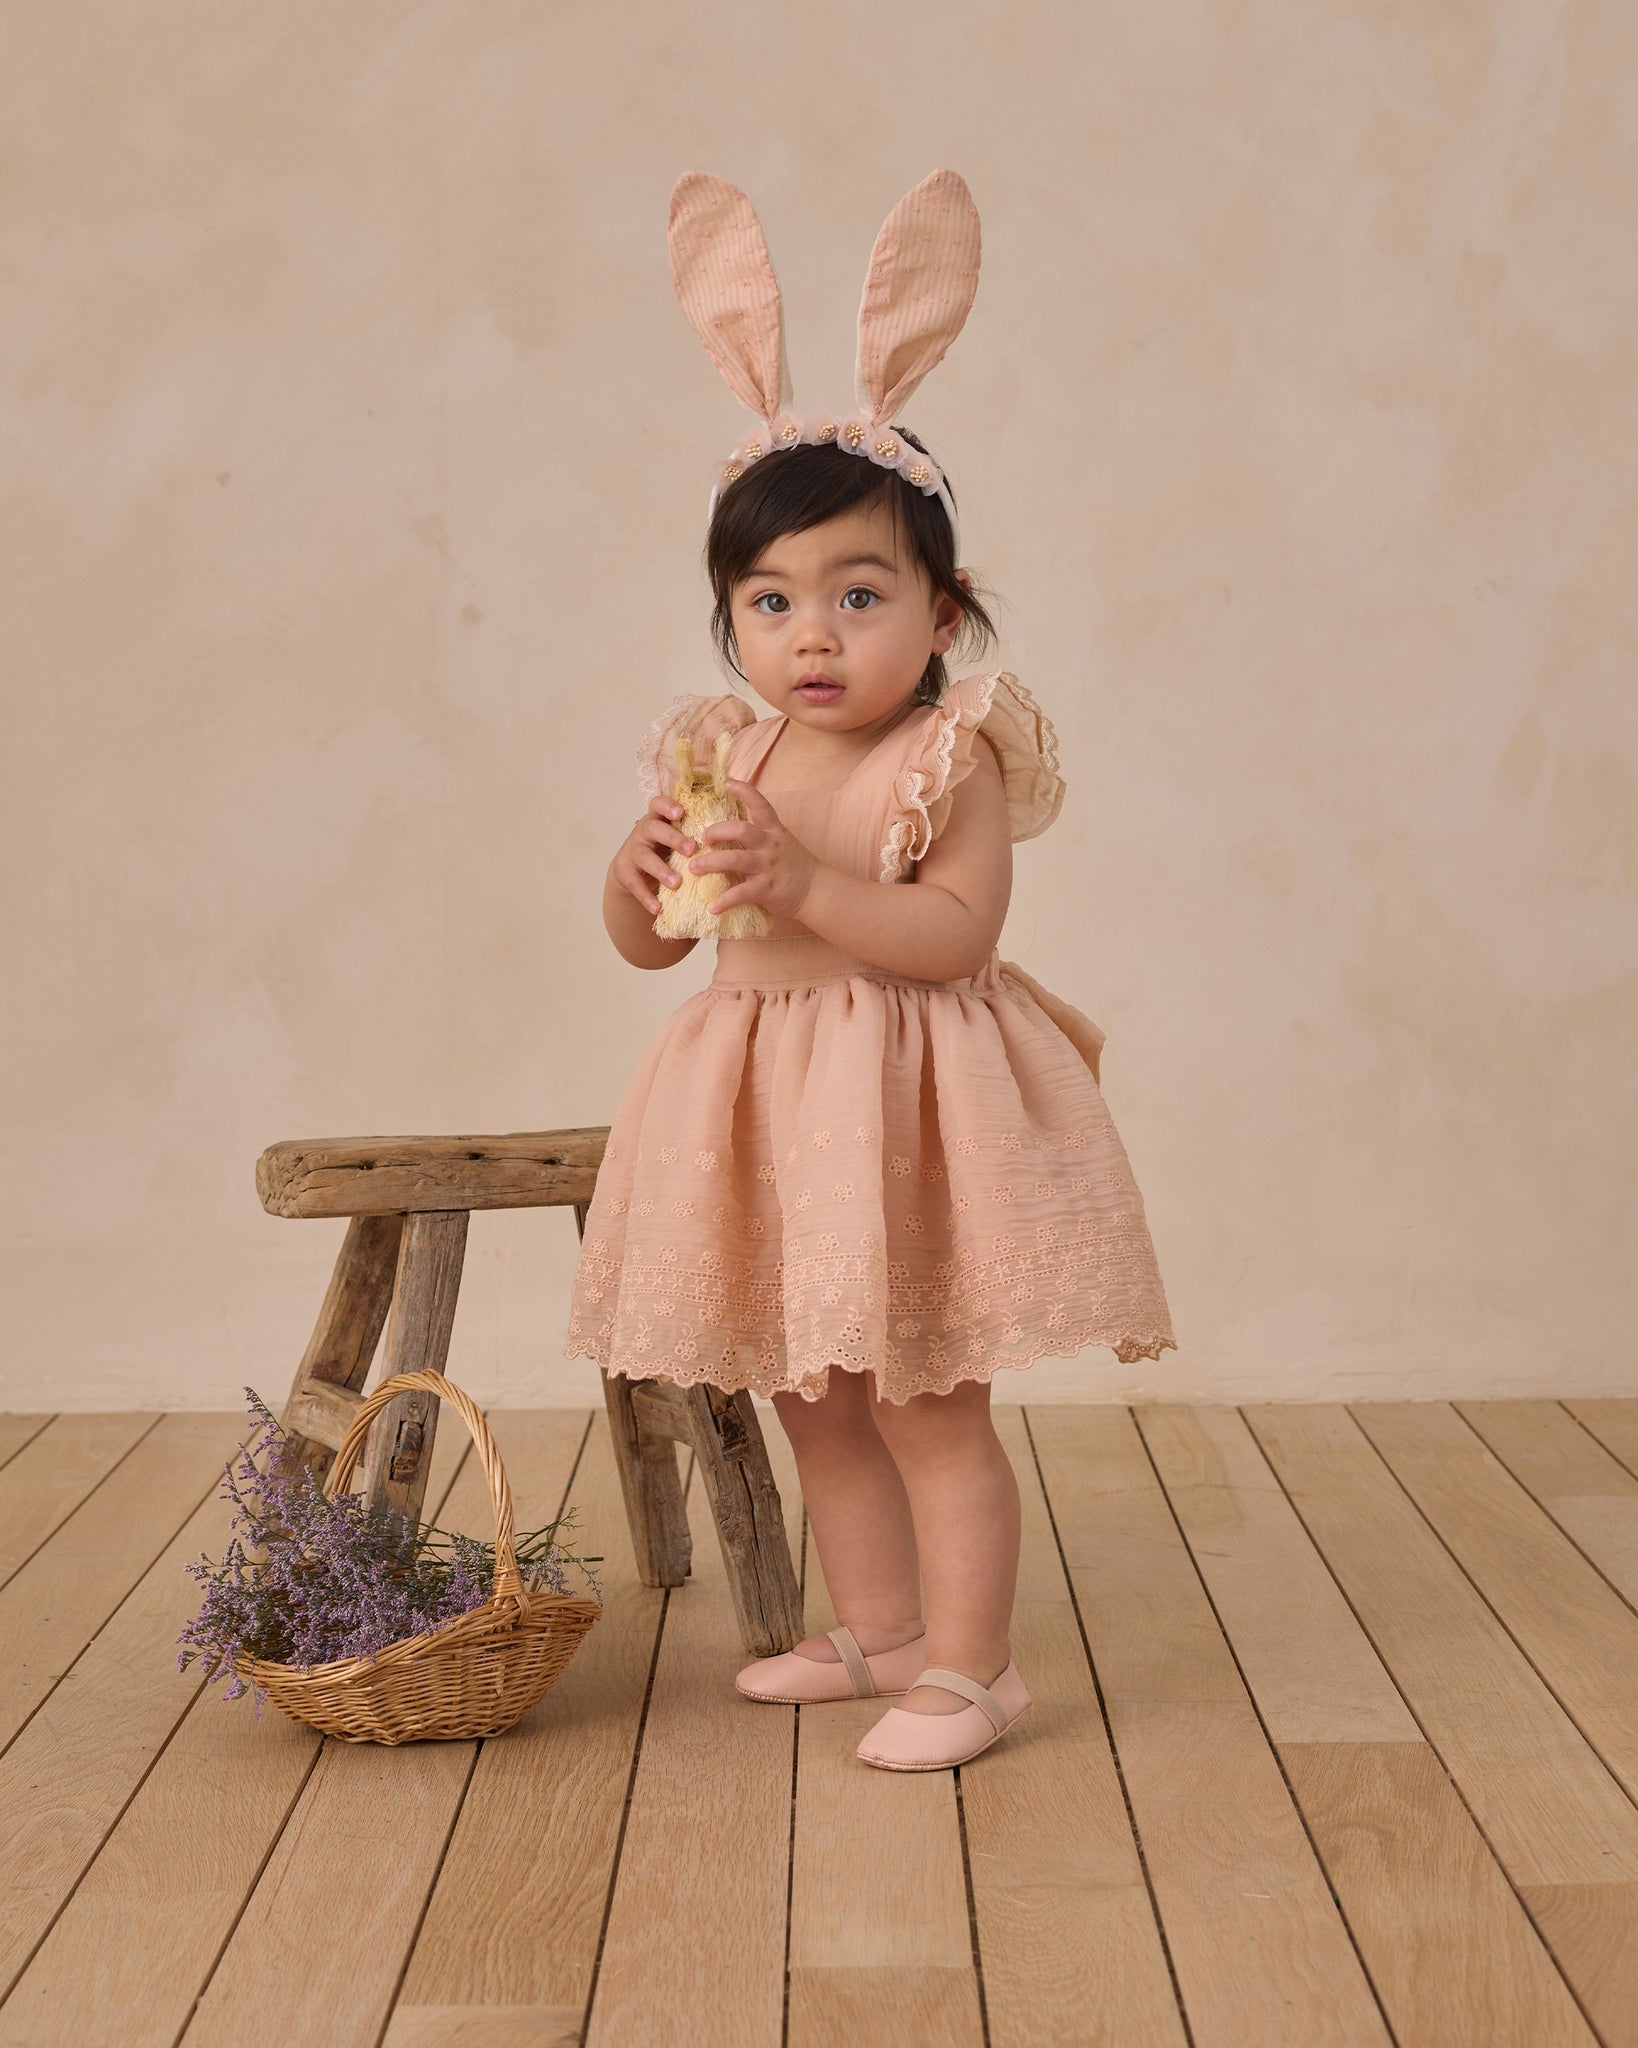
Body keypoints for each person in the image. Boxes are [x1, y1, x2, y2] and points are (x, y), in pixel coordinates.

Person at [565, 169, 1176, 1771]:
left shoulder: (946, 754)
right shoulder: (724, 749)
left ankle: (975, 1671)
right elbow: (657, 942)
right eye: (770, 603)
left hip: (902, 1123)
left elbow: (955, 936)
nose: (812, 636)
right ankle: (882, 1632)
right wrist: (635, 880)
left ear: (940, 612)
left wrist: (810, 880)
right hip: (765, 1116)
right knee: (812, 1395)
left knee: (920, 1399)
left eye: (857, 595)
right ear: (730, 619)